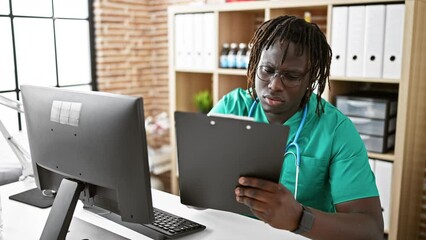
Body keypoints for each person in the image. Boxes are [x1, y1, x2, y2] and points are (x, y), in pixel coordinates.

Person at [209, 15, 384, 239]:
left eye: (291, 76)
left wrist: (299, 219)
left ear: (311, 79)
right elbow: (198, 187)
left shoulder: (336, 130)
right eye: (267, 70)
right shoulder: (232, 108)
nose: (274, 85)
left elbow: (371, 230)